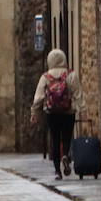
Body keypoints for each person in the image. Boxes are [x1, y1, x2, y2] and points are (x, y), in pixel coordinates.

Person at [30, 48, 82, 180]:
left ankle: (57, 171)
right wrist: (80, 109)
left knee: (54, 138)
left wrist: (34, 112)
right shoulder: (71, 75)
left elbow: (39, 98)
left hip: (51, 113)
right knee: (66, 137)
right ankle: (65, 154)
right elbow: (78, 95)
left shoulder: (46, 77)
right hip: (68, 112)